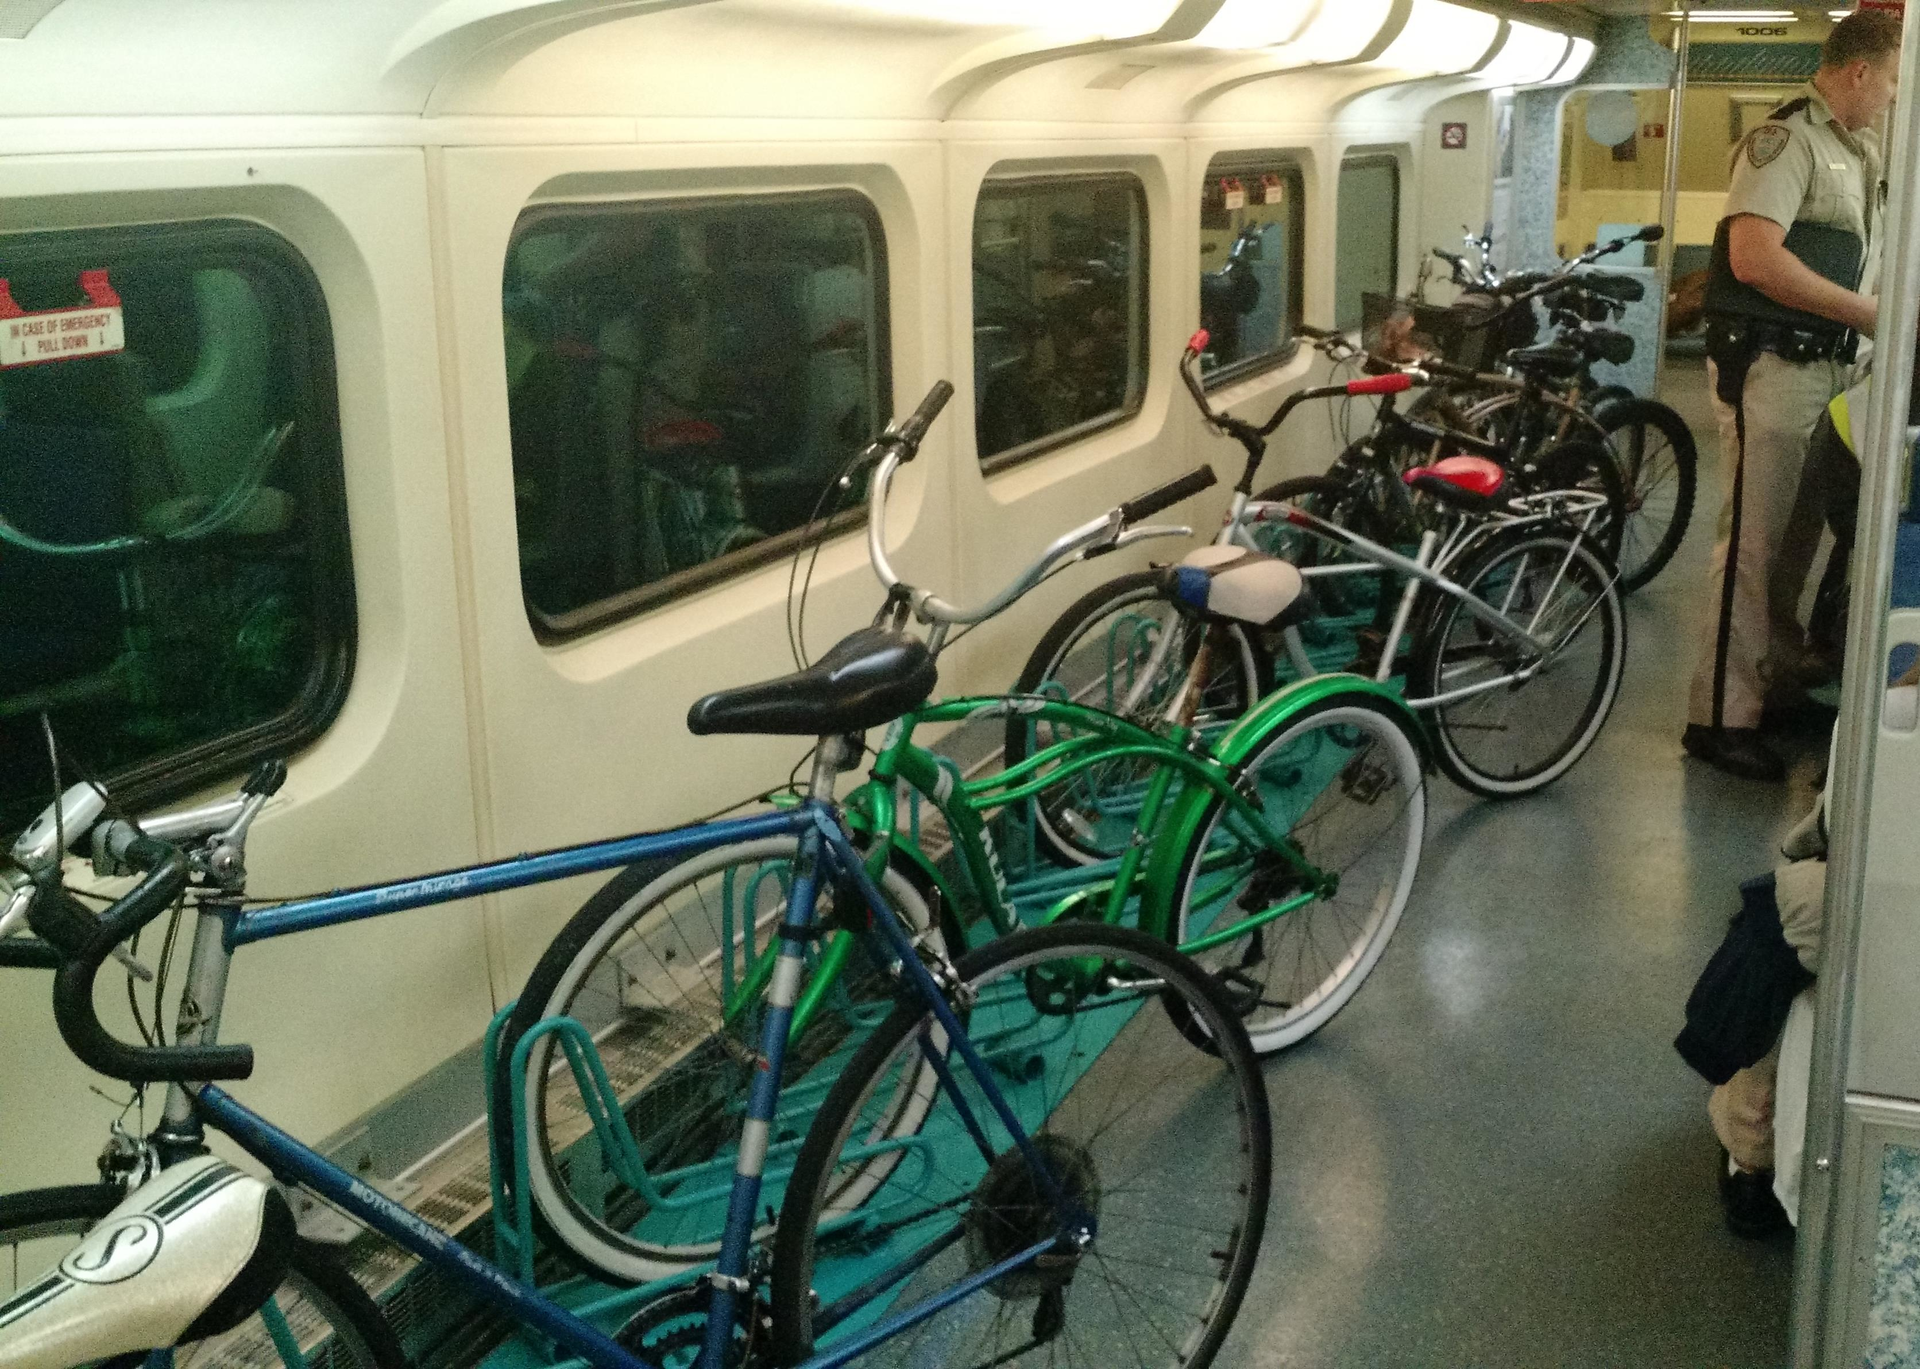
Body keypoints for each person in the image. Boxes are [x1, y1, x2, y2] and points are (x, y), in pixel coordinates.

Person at [1683, 10, 1901, 783]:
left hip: (1828, 367)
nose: (1896, 97)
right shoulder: (1786, 141)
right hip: (1774, 367)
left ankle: (1766, 686)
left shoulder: (1862, 151)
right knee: (1754, 543)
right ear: (1860, 73)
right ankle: (1718, 717)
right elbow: (1754, 260)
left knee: (1797, 541)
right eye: (1894, 82)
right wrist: (1874, 315)